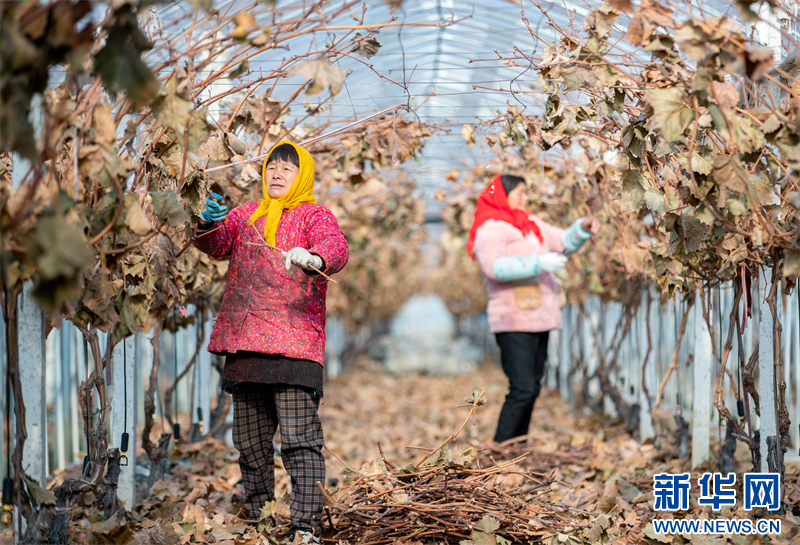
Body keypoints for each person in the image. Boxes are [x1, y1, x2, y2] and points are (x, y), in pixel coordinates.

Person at [193, 141, 348, 544]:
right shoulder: (246, 215)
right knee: (249, 442)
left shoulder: (315, 215)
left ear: (303, 176)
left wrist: (314, 258)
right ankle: (260, 515)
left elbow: (336, 245)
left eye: (287, 169)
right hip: (246, 345)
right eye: (272, 167)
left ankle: (305, 528)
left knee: (299, 441)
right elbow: (217, 244)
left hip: (295, 346)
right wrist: (207, 223)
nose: (277, 174)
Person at [467, 174, 599, 444]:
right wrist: (539, 262)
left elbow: (563, 241)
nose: (526, 198)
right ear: (502, 196)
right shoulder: (490, 228)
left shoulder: (531, 224)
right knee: (523, 387)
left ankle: (516, 446)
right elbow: (495, 268)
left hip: (539, 317)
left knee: (532, 386)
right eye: (520, 193)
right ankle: (502, 447)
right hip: (513, 319)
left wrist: (582, 228)